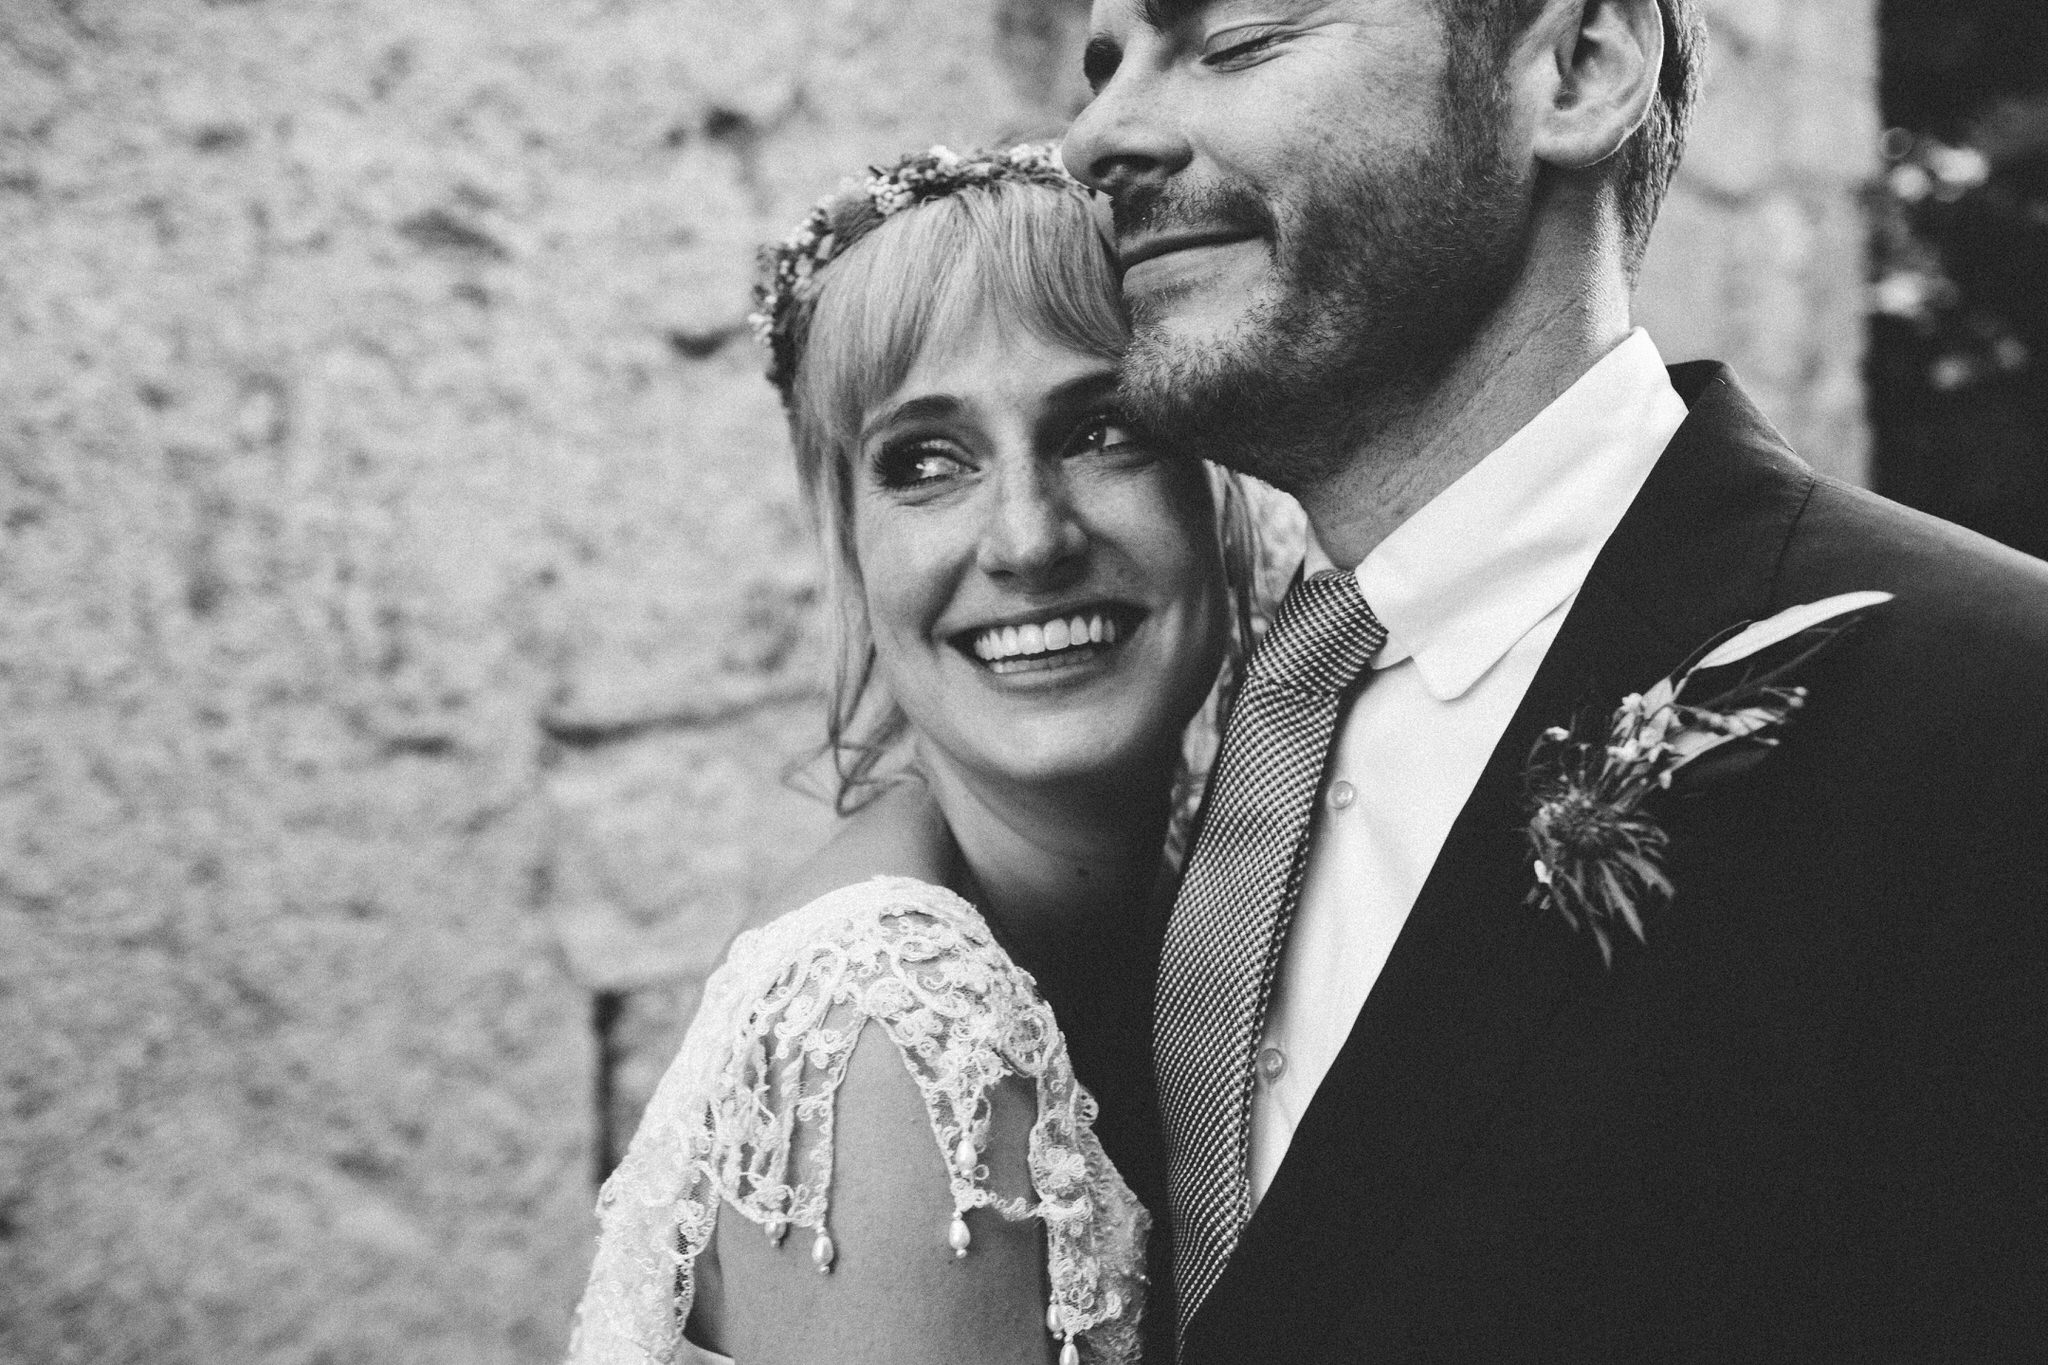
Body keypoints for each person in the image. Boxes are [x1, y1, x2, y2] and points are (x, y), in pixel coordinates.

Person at [1063, 2, 2048, 1362]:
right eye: (1104, 65)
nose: (1099, 134)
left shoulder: (1996, 717)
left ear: (1580, 70)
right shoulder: (1155, 726)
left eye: (1236, 36)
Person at [564, 144, 1256, 1365]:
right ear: (848, 542)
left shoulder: (1193, 905)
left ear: (1220, 492)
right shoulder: (887, 1037)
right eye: (926, 462)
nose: (1028, 539)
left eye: (1104, 428)